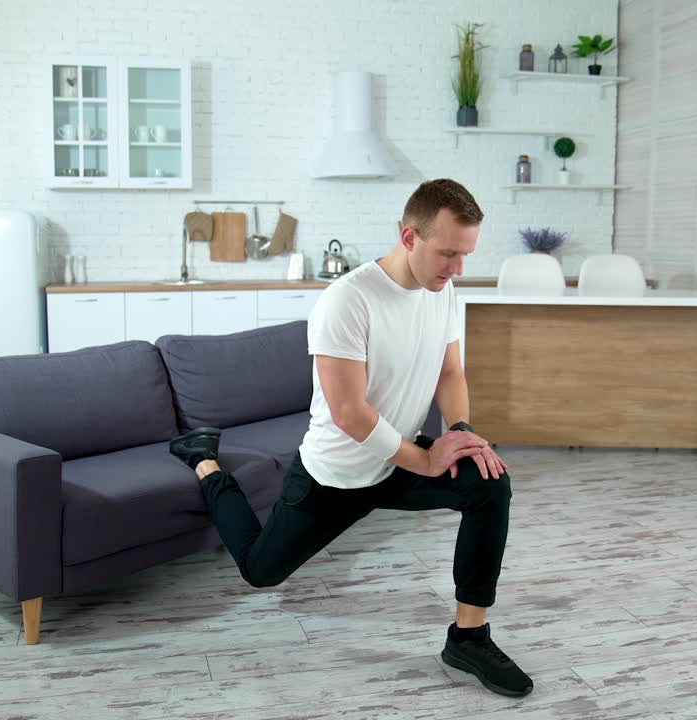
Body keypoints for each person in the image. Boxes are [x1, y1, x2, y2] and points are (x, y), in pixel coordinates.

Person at [168, 179, 532, 697]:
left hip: (399, 458)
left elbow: (451, 371)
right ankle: (205, 461)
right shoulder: (349, 300)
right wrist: (427, 461)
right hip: (334, 475)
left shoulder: (441, 288)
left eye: (465, 255)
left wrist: (460, 433)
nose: (457, 268)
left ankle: (468, 638)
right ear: (410, 237)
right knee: (259, 571)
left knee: (489, 484)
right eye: (448, 253)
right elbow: (348, 413)